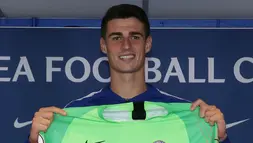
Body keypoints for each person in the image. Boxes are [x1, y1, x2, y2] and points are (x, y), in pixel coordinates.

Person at [27, 4, 230, 143]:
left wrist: (219, 137)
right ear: (103, 46)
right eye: (116, 38)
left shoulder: (183, 115)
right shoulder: (73, 115)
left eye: (134, 36)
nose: (126, 46)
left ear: (147, 43)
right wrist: (36, 140)